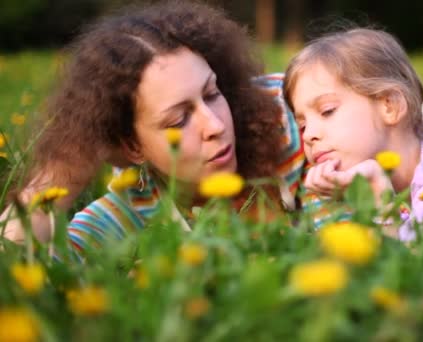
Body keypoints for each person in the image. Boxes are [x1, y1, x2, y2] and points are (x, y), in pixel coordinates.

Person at [0, 1, 306, 257]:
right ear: (133, 146)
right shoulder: (135, 207)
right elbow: (14, 269)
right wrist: (64, 172)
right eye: (178, 120)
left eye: (212, 94)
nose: (214, 126)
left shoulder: (292, 111)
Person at [282, 28, 423, 243]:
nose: (309, 135)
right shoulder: (357, 178)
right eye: (302, 125)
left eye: (327, 111)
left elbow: (418, 261)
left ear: (390, 106)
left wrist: (378, 193)